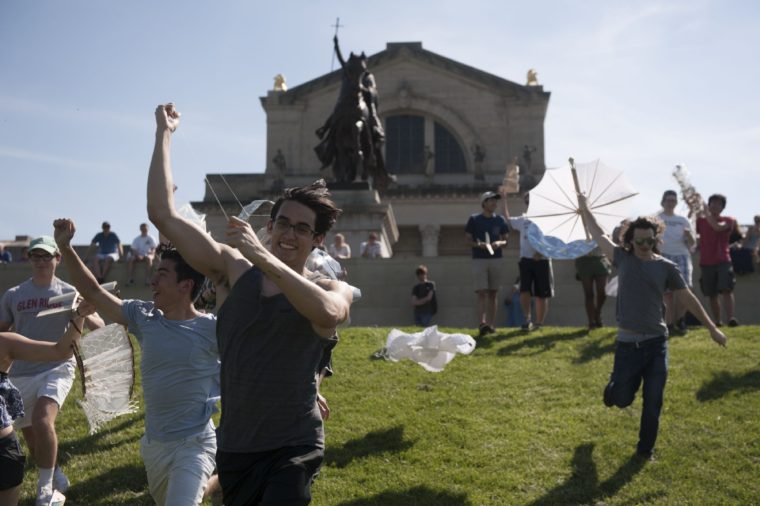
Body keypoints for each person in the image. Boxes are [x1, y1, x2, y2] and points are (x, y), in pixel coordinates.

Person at [147, 103, 352, 505]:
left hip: (294, 444)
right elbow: (162, 214)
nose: (288, 234)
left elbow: (329, 313)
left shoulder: (329, 286)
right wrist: (163, 135)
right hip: (236, 447)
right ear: (270, 225)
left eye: (301, 228)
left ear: (318, 241)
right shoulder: (234, 270)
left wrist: (264, 257)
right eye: (282, 223)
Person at [53, 219, 220, 506]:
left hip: (195, 443)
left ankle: (214, 478)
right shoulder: (144, 317)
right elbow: (93, 292)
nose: (152, 281)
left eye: (162, 274)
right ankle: (220, 482)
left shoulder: (212, 330)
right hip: (155, 447)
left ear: (185, 285)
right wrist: (64, 247)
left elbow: (255, 359)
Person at [578, 194, 727, 461]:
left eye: (649, 240)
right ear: (630, 240)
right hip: (627, 345)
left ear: (656, 239)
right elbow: (599, 233)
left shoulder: (666, 267)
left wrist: (712, 328)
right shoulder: (622, 259)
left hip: (657, 343)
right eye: (639, 241)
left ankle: (645, 451)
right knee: (622, 399)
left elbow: (687, 298)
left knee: (654, 400)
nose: (645, 245)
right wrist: (585, 208)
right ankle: (614, 391)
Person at [0, 236, 103, 505]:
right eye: (36, 256)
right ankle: (53, 472)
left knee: (43, 419)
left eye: (47, 256)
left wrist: (85, 311)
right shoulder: (14, 295)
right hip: (19, 373)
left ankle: (44, 493)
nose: (42, 261)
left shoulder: (69, 292)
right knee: (33, 440)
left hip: (57, 365)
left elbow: (99, 326)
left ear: (57, 259)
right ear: (29, 259)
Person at [0, 309, 89, 506]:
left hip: (3, 452)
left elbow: (60, 351)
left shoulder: (4, 343)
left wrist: (80, 316)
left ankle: (47, 491)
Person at [502, 193, 552, 331]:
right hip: (525, 259)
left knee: (542, 294)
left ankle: (539, 323)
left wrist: (541, 252)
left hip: (542, 260)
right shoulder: (523, 219)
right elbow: (507, 220)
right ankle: (527, 319)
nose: (529, 203)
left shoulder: (546, 218)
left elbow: (551, 239)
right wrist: (504, 199)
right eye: (527, 201)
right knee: (525, 290)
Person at [465, 191, 509, 336]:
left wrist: (498, 243)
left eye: (495, 201)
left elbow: (506, 240)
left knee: (493, 293)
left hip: (496, 258)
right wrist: (479, 245)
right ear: (484, 203)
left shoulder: (500, 220)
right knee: (481, 292)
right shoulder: (474, 219)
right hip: (479, 259)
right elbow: (468, 240)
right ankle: (482, 324)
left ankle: (491, 325)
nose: (494, 203)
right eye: (491, 201)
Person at [696, 194, 738, 326]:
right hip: (706, 261)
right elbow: (691, 230)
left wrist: (705, 212)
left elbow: (717, 227)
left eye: (719, 204)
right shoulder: (701, 221)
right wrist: (693, 206)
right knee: (712, 294)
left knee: (726, 289)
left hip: (723, 260)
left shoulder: (728, 220)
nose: (715, 206)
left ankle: (731, 319)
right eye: (712, 203)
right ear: (708, 205)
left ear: (723, 207)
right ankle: (718, 321)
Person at [657, 190, 696, 334]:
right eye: (668, 200)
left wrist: (689, 235)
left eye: (673, 200)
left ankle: (680, 319)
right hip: (663, 255)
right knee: (667, 293)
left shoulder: (683, 220)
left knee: (684, 290)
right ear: (663, 201)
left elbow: (692, 244)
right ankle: (669, 323)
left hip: (682, 255)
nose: (671, 203)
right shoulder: (656, 218)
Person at [574, 248, 611, 329]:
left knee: (603, 291)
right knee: (589, 294)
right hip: (583, 259)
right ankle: (591, 322)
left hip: (601, 257)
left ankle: (597, 313)